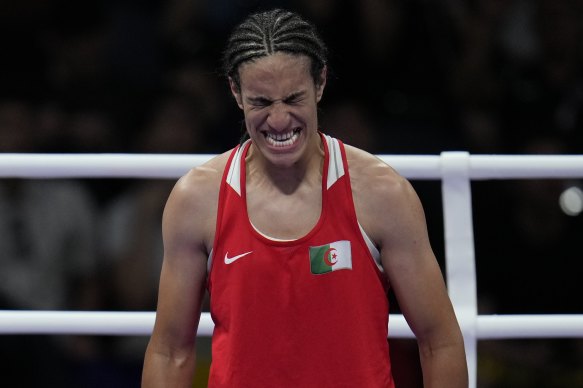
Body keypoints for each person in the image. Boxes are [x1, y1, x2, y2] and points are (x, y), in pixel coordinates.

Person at [142, 8, 468, 388]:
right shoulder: (197, 199)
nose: (279, 120)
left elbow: (439, 340)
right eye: (261, 102)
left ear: (320, 83)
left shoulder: (381, 194)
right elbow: (170, 351)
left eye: (292, 98)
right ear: (236, 92)